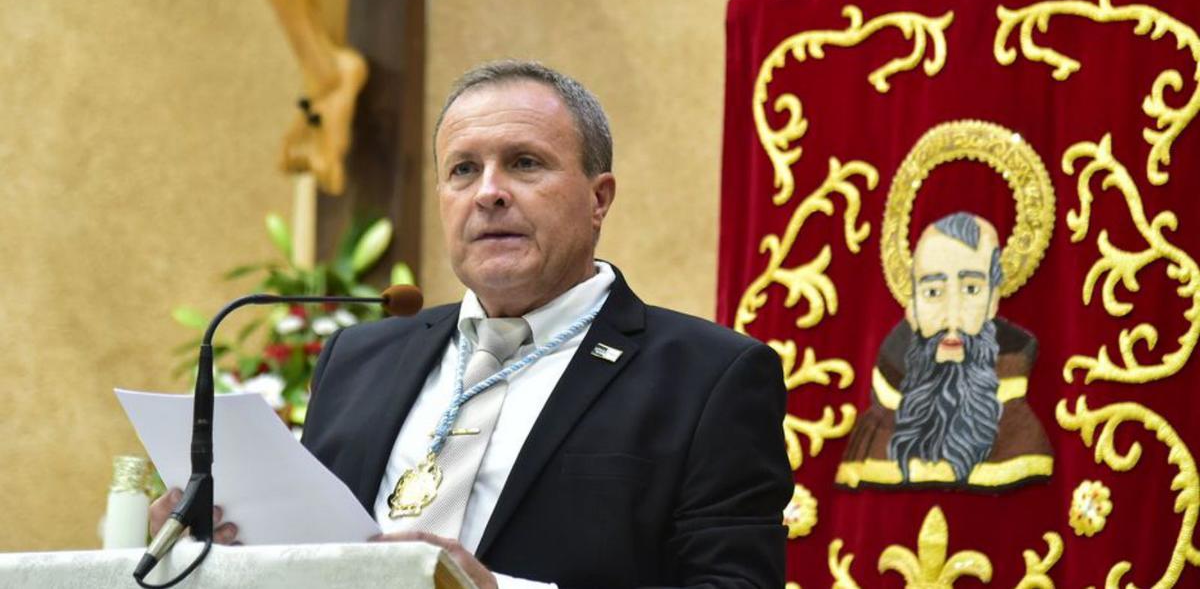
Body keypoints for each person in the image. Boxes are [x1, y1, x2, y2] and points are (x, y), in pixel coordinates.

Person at [152, 61, 792, 588]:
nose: (488, 192)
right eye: (463, 170)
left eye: (524, 163)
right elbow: (314, 555)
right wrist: (214, 544)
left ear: (598, 199)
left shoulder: (708, 377)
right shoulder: (358, 357)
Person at [836, 212, 1053, 491]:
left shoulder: (1020, 424)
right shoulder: (877, 421)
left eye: (971, 289)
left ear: (993, 302)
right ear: (912, 307)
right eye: (933, 292)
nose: (952, 317)